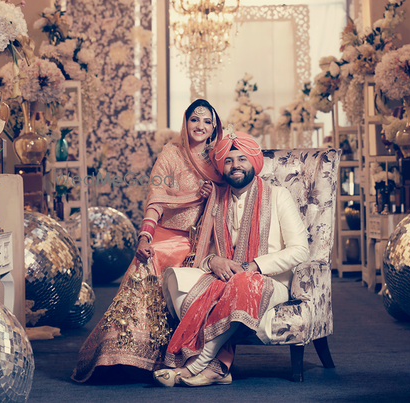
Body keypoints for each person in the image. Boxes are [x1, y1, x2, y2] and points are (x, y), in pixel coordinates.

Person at [72, 99, 224, 382]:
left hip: (202, 242)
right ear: (185, 122)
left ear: (214, 127)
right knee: (149, 257)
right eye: (195, 119)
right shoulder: (171, 153)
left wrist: (213, 190)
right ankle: (126, 354)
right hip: (167, 235)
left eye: (207, 121)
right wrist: (145, 235)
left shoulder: (217, 160)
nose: (200, 126)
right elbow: (155, 198)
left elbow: (230, 197)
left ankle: (170, 355)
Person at [153, 129, 309, 387]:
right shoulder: (215, 199)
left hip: (269, 282)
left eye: (242, 159)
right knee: (176, 278)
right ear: (222, 166)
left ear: (253, 163)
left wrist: (255, 266)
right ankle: (220, 369)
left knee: (244, 282)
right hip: (223, 278)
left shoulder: (278, 196)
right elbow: (202, 251)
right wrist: (213, 261)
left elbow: (300, 249)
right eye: (228, 160)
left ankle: (195, 365)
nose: (235, 165)